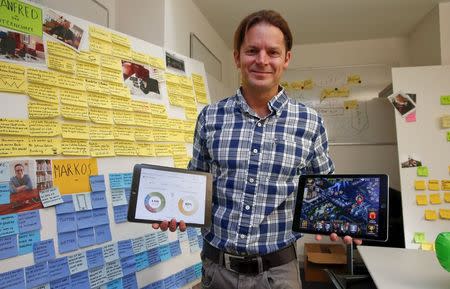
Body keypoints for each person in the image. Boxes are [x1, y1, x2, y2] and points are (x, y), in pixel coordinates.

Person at [153, 10, 361, 289]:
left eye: (272, 52)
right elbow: (196, 184)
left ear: (286, 58)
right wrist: (175, 210)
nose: (262, 60)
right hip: (217, 272)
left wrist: (345, 220)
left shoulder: (310, 122)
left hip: (280, 275)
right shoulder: (210, 117)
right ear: (237, 56)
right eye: (252, 50)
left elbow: (325, 189)